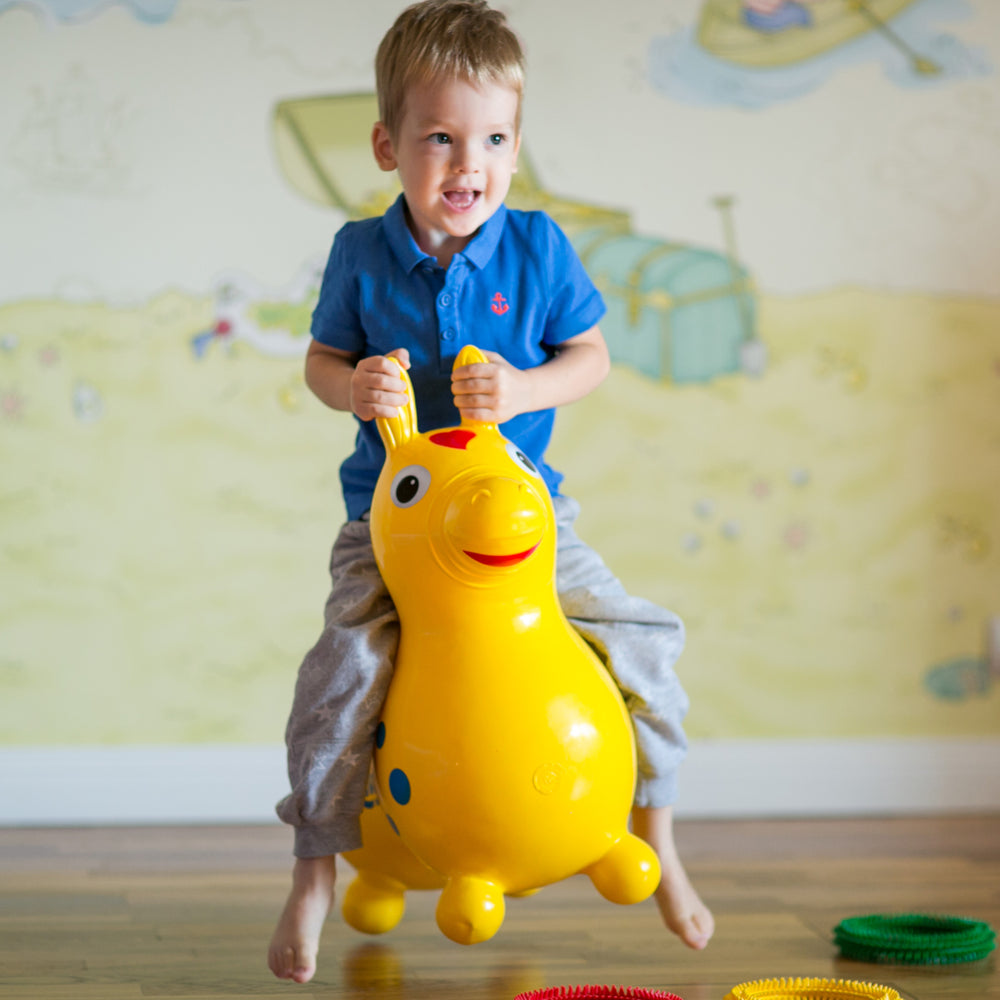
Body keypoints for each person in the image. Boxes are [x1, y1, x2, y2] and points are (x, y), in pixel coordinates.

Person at [268, 0, 714, 983]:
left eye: (494, 138)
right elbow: (319, 361)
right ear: (389, 146)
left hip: (527, 520)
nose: (469, 163)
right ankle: (310, 870)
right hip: (387, 529)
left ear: (516, 147)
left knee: (644, 636)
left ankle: (660, 831)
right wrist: (353, 386)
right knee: (337, 679)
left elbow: (590, 356)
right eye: (440, 138)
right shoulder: (359, 252)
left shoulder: (538, 246)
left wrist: (524, 389)